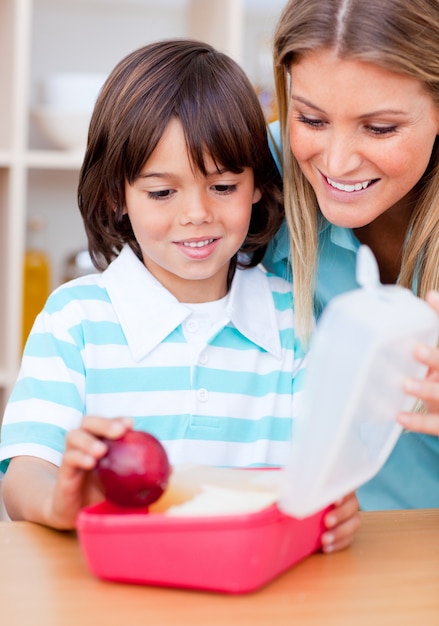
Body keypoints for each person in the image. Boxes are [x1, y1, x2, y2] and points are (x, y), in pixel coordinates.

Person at [0, 39, 359, 550]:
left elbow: (322, 473)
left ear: (258, 184)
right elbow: (23, 474)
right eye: (162, 192)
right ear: (115, 194)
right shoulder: (74, 320)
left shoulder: (293, 318)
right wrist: (61, 501)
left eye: (223, 186)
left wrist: (335, 508)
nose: (197, 214)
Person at [263, 0, 439, 509]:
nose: (336, 162)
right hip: (302, 551)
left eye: (380, 128)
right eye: (311, 119)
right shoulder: (253, 177)